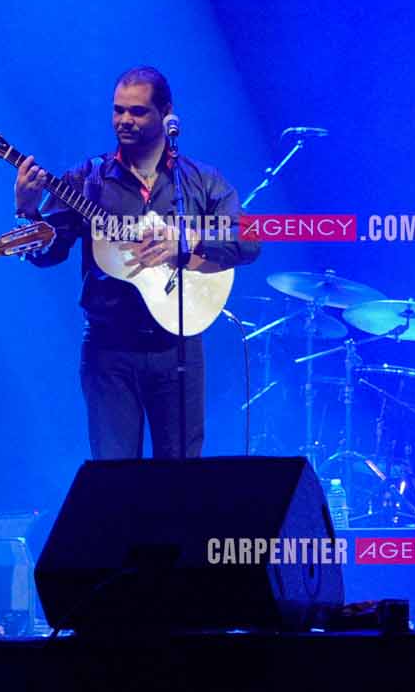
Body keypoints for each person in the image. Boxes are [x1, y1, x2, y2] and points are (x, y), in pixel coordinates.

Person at [13, 66, 257, 459]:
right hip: (109, 348)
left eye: (138, 111)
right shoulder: (87, 180)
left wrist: (187, 240)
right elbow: (47, 254)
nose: (124, 120)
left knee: (180, 481)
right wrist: (28, 212)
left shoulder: (200, 180)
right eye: (118, 110)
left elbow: (248, 238)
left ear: (166, 113)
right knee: (114, 480)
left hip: (178, 346)